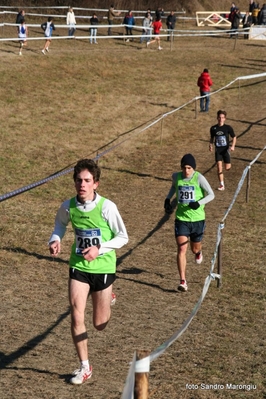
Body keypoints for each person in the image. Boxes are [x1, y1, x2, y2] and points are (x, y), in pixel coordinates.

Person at [48, 159, 128, 385]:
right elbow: (60, 226)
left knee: (99, 324)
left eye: (87, 181)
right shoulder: (68, 206)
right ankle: (85, 367)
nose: (82, 184)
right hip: (79, 266)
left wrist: (99, 249)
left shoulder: (107, 207)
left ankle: (108, 295)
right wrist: (55, 239)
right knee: (76, 314)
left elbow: (123, 237)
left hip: (102, 266)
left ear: (96, 184)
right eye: (78, 180)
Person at [164, 154, 214, 292]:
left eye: (189, 168)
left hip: (197, 219)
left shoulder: (199, 178)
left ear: (193, 168)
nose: (186, 171)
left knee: (194, 248)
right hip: (182, 219)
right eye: (184, 168)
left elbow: (211, 194)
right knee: (181, 249)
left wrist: (198, 203)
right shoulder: (176, 176)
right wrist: (168, 199)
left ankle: (199, 253)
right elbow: (174, 187)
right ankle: (183, 281)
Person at [209, 110, 237, 191]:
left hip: (226, 150)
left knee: (227, 168)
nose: (220, 119)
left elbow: (234, 137)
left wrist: (233, 146)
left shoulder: (228, 128)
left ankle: (227, 164)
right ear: (217, 118)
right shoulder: (213, 128)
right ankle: (222, 185)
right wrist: (210, 145)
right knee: (219, 167)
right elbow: (212, 138)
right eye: (219, 117)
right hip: (218, 150)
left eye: (222, 118)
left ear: (225, 119)